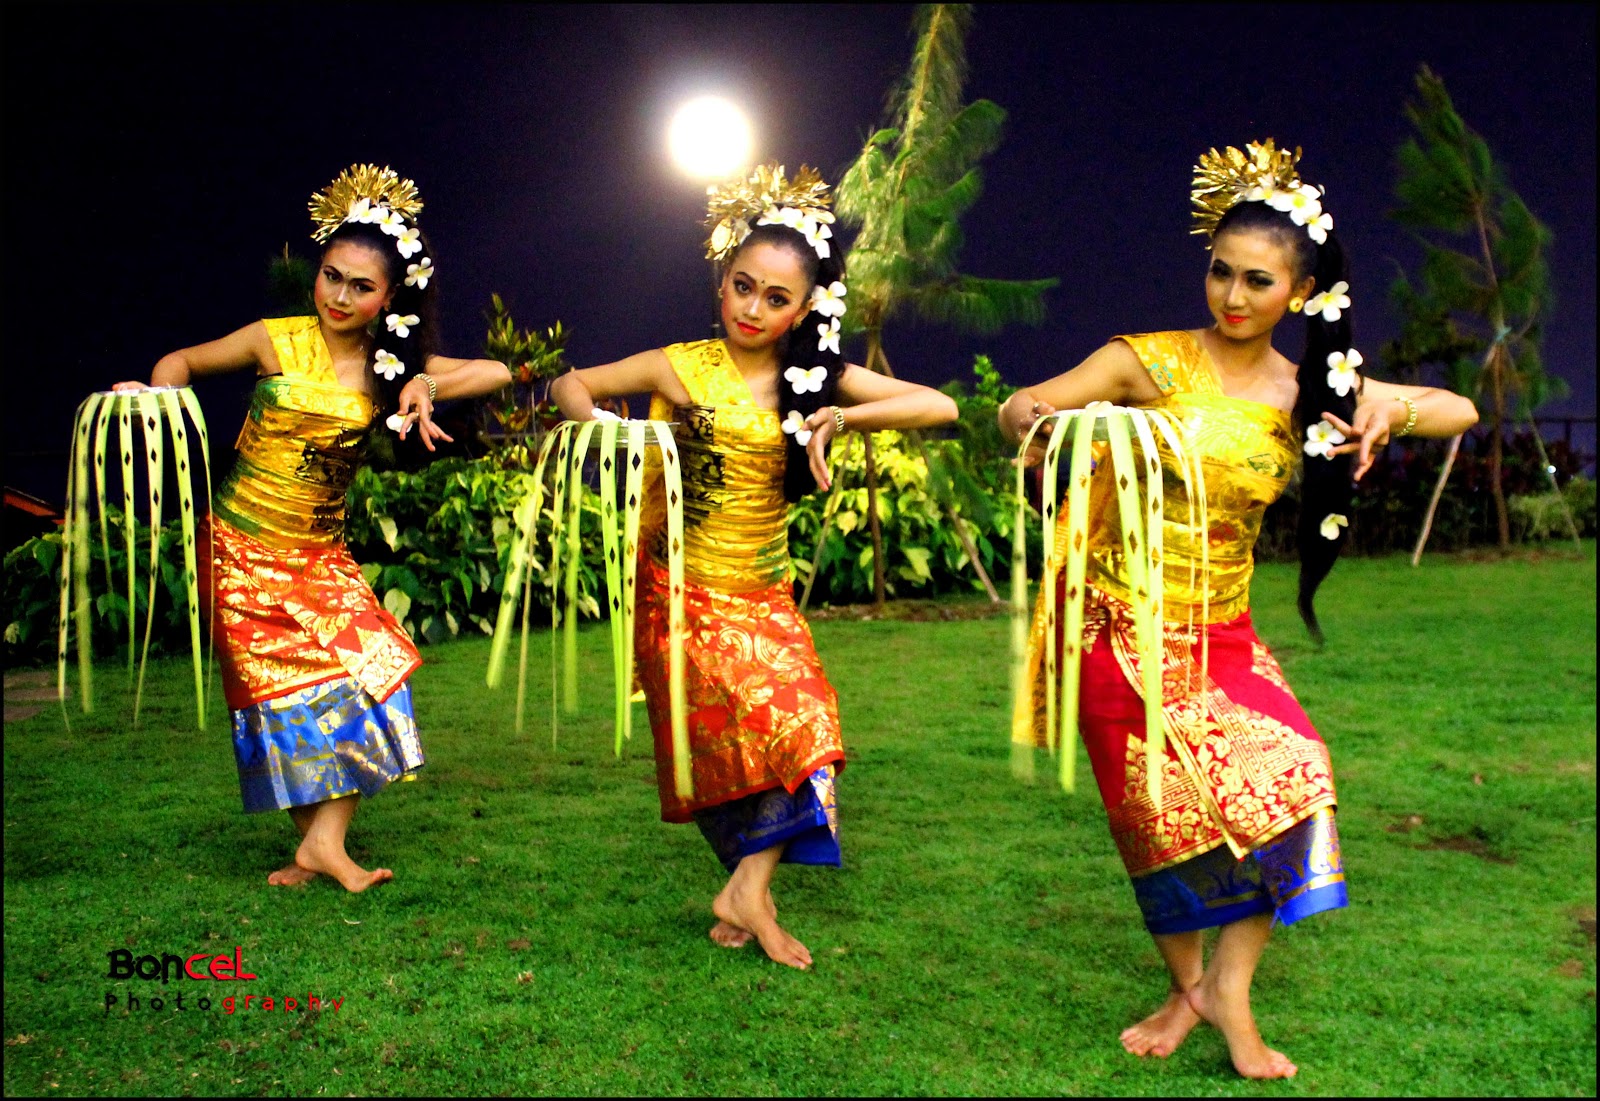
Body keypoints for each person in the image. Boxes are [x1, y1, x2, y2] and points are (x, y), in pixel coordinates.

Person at [998, 141, 1478, 1078]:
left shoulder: (1308, 392)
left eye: (1258, 280)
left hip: (1221, 629)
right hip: (1113, 622)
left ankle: (1228, 990)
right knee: (1161, 820)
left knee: (1296, 779)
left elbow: (1456, 407)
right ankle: (1189, 993)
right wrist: (1039, 421)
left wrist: (1389, 414)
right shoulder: (1146, 360)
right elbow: (1024, 406)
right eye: (1220, 271)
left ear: (1297, 293)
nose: (1231, 295)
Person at [551, 163, 957, 969]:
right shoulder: (680, 365)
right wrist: (612, 429)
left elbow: (938, 406)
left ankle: (746, 892)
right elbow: (571, 382)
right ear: (724, 279)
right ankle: (748, 892)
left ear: (805, 309)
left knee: (807, 730)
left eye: (778, 299)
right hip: (688, 587)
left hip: (764, 590)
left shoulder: (812, 378)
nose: (754, 309)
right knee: (771, 736)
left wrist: (842, 413)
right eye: (744, 287)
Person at [114, 164, 510, 892]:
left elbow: (499, 373)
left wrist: (424, 380)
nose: (340, 296)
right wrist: (155, 394)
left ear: (391, 297)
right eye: (333, 276)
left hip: (319, 556)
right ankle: (324, 846)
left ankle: (320, 846)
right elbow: (182, 361)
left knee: (381, 675)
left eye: (363, 287)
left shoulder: (394, 365)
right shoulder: (275, 338)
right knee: (279, 700)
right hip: (239, 546)